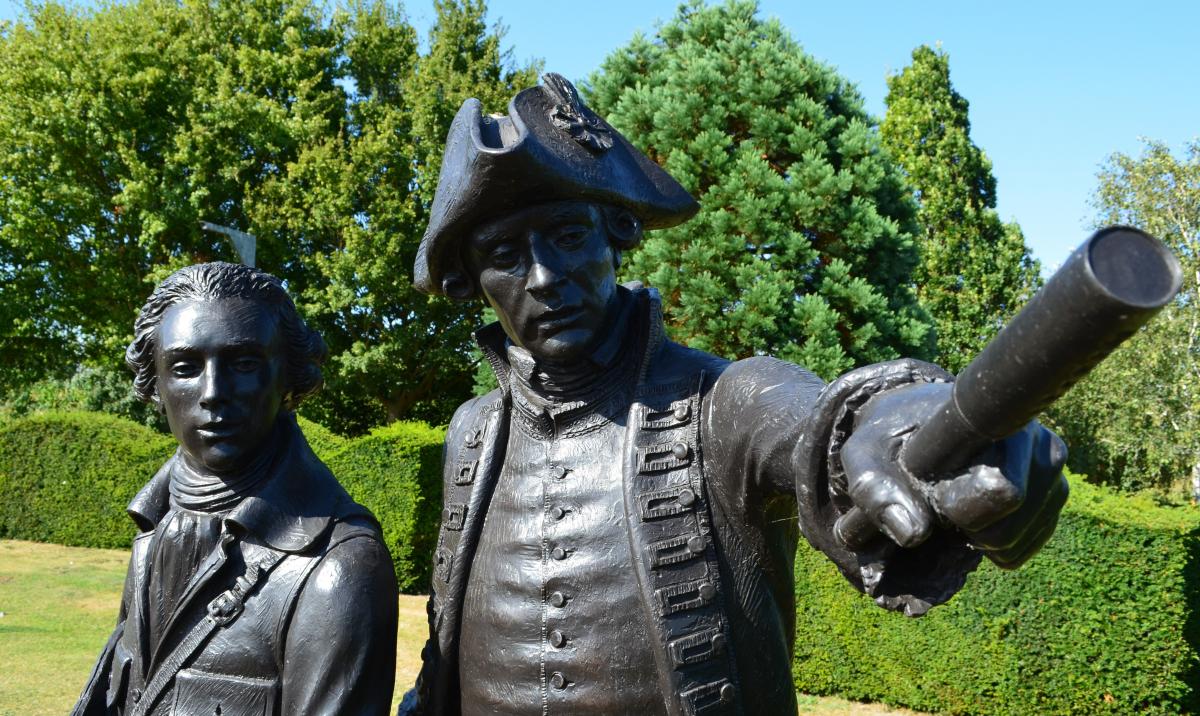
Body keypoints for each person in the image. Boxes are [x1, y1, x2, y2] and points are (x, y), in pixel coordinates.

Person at [400, 74, 1067, 716]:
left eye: (570, 235)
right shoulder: (473, 431)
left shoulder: (724, 402)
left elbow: (821, 421)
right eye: (505, 253)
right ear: (472, 280)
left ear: (616, 236)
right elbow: (450, 639)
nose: (544, 277)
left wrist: (913, 421)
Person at [72, 262, 398, 716]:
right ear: (156, 384)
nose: (213, 392)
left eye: (244, 363)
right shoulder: (153, 529)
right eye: (184, 367)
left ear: (288, 378)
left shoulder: (338, 568)